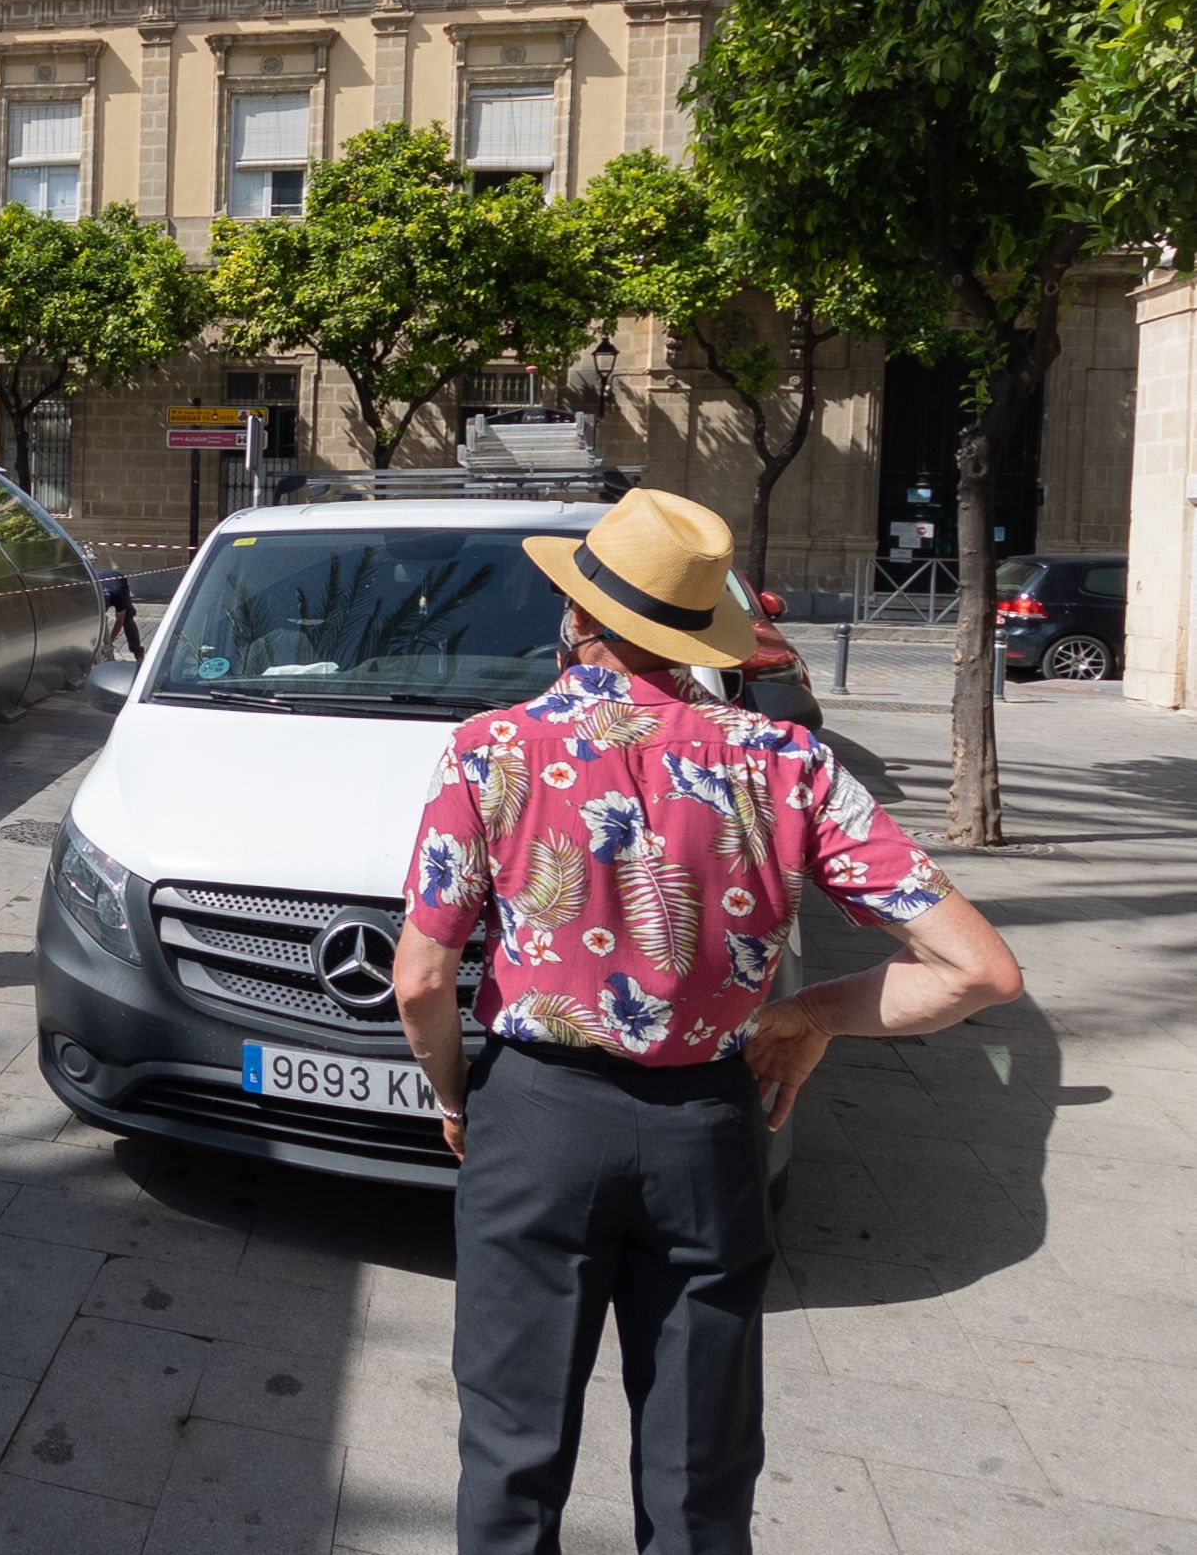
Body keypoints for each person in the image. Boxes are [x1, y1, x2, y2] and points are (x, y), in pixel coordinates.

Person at [389, 488, 1023, 1555]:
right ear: (695, 638)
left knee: (511, 1443)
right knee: (700, 1465)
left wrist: (455, 1093)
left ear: (577, 620)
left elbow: (418, 979)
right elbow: (980, 972)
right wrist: (814, 1016)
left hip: (536, 1123)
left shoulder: (489, 750)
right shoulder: (787, 763)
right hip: (708, 1132)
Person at [100, 570, 144, 660]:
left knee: (128, 619)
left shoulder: (119, 596)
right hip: (100, 581)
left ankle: (139, 655)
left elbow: (119, 621)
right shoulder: (92, 596)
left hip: (118, 581)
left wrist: (110, 642)